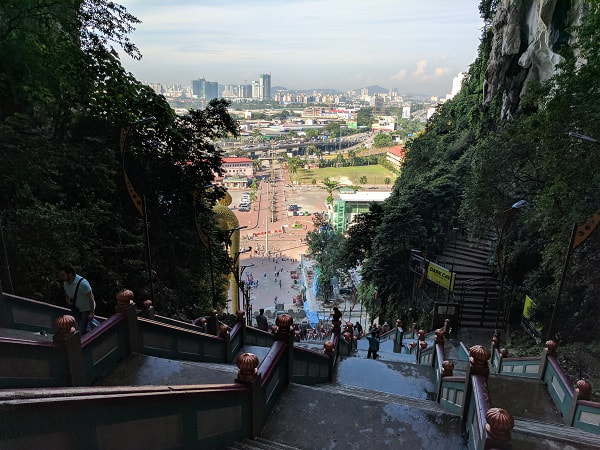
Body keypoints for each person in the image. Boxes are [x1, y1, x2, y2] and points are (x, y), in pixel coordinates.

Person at [59, 264, 95, 334]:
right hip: (76, 308)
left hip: (86, 309)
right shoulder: (66, 282)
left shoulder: (83, 283)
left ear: (70, 274)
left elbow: (91, 297)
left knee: (81, 329)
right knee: (83, 325)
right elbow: (66, 291)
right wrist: (68, 300)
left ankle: (87, 342)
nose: (61, 277)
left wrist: (91, 312)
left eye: (63, 275)